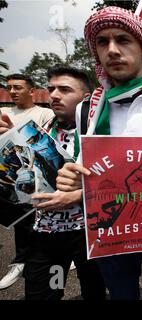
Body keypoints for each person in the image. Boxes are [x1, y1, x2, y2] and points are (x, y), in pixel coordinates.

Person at [54, 6, 142, 300]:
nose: (112, 50)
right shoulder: (87, 109)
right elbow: (82, 166)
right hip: (110, 231)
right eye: (102, 42)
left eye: (123, 40)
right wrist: (70, 177)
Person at [1, 66, 106, 300]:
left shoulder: (100, 135)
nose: (54, 95)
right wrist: (8, 141)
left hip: (88, 237)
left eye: (64, 89)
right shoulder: (37, 133)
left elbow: (116, 184)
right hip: (46, 236)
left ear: (86, 97)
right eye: (51, 89)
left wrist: (77, 195)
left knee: (94, 291)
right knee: (48, 291)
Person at [0, 74, 54, 290]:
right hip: (10, 176)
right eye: (10, 87)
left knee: (43, 219)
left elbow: (48, 145)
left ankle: (53, 260)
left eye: (18, 87)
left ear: (32, 91)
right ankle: (20, 263)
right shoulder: (3, 112)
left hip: (38, 177)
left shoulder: (44, 113)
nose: (13, 92)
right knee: (19, 222)